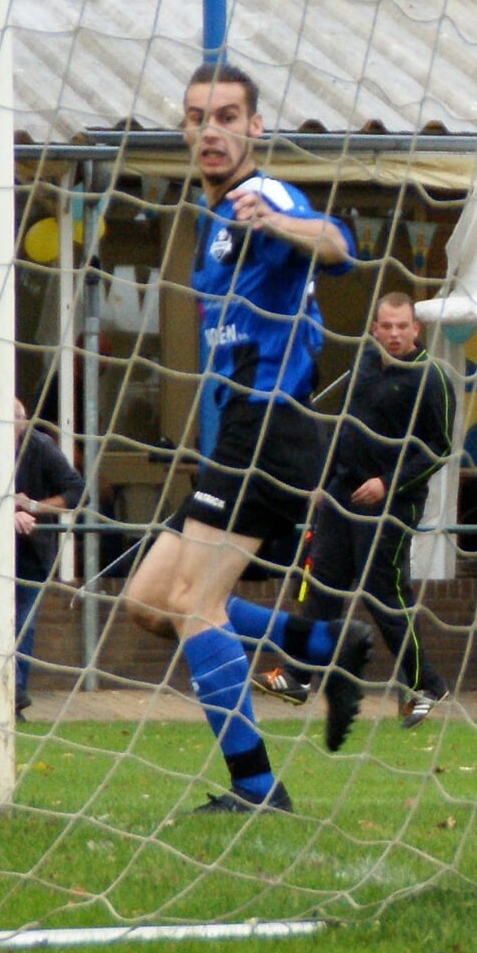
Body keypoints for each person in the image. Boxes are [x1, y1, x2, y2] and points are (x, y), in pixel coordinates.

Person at [120, 61, 369, 813]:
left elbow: (335, 241)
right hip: (239, 431)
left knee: (195, 601)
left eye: (228, 115)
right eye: (199, 117)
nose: (212, 130)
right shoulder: (209, 220)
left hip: (271, 424)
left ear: (255, 126)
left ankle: (257, 789)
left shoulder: (262, 196)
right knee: (148, 601)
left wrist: (276, 219)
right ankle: (321, 644)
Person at [280, 292, 454, 729]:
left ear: (416, 329)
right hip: (342, 493)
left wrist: (387, 483)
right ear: (374, 329)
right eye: (386, 326)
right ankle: (298, 677)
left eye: (402, 326)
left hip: (391, 503)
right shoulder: (362, 366)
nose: (393, 334)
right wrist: (324, 479)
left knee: (384, 593)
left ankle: (425, 683)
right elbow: (348, 428)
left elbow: (440, 449)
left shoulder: (430, 377)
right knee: (322, 581)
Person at [11, 400, 84, 720]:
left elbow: (78, 491)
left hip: (32, 552)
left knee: (22, 624)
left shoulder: (40, 447)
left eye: (14, 420)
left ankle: (14, 695)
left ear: (23, 422)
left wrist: (35, 508)